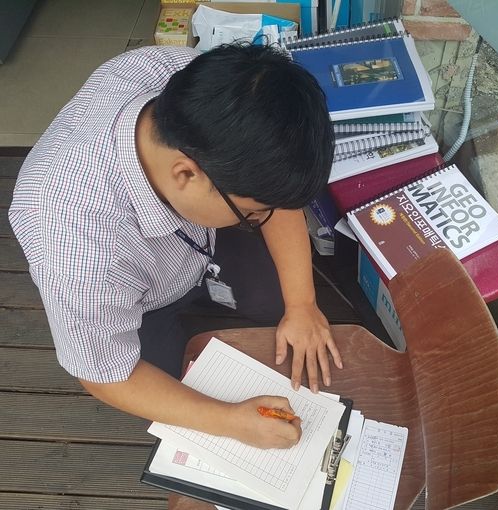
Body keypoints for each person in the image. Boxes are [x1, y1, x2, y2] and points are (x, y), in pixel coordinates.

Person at [9, 43, 341, 450]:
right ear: (185, 174)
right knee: (172, 390)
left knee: (275, 303)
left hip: (200, 233)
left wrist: (302, 304)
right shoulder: (78, 249)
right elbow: (105, 374)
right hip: (140, 302)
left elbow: (274, 194)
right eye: (253, 214)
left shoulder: (183, 74)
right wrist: (229, 421)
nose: (264, 218)